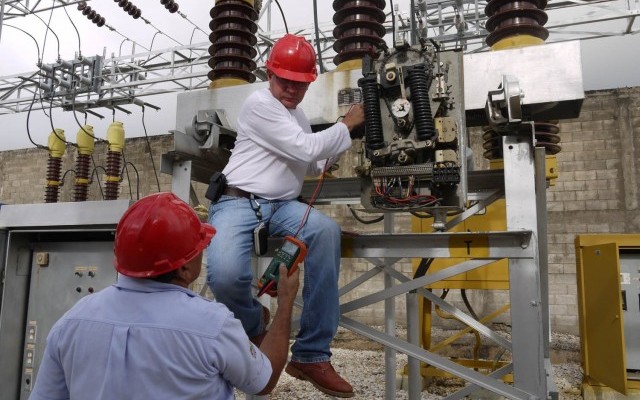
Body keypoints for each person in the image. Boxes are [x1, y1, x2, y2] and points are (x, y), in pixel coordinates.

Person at [206, 34, 365, 398]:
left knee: (325, 232)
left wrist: (349, 139)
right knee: (227, 275)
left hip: (282, 205)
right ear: (269, 75)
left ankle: (311, 354)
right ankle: (253, 321)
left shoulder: (296, 115)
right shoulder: (259, 104)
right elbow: (304, 147)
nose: (292, 90)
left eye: (300, 83)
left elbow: (314, 159)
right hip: (238, 201)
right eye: (285, 81)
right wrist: (346, 125)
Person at [30, 192, 299, 399]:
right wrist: (285, 304)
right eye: (199, 247)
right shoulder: (211, 324)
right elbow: (264, 380)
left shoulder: (72, 321)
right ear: (183, 267)